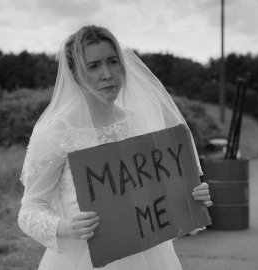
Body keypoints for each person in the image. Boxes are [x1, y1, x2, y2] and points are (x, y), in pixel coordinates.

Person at [18, 25, 212, 270]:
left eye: (112, 62)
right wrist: (65, 226)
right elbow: (29, 210)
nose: (108, 73)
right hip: (84, 259)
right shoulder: (55, 132)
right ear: (75, 74)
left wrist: (190, 197)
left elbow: (156, 193)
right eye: (94, 66)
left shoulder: (137, 122)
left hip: (149, 258)